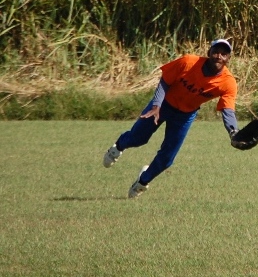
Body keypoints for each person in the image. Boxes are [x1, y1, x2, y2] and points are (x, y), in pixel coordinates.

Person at [102, 39, 246, 199]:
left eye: (224, 54)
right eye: (216, 51)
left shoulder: (228, 83)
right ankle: (118, 146)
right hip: (163, 105)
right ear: (209, 53)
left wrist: (233, 132)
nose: (219, 56)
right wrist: (156, 105)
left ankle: (142, 182)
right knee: (138, 138)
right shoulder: (188, 62)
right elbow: (165, 81)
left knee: (167, 158)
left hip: (185, 115)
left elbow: (228, 110)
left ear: (228, 58)